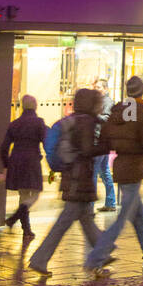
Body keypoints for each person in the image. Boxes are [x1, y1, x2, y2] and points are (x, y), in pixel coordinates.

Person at [82, 76, 143, 275]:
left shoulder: (118, 110)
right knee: (123, 217)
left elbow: (106, 136)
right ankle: (96, 257)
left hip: (122, 166)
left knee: (138, 217)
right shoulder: (141, 114)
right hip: (135, 167)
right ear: (142, 91)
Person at [27, 88, 104, 276]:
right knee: (65, 221)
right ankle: (39, 259)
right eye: (98, 102)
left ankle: (101, 255)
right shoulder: (84, 123)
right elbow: (87, 150)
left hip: (75, 176)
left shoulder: (74, 122)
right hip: (78, 178)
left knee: (85, 218)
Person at [0, 94, 46, 238]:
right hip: (32, 160)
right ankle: (14, 218)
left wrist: (7, 165)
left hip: (16, 160)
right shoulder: (39, 123)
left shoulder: (14, 124)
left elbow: (3, 148)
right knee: (35, 193)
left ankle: (26, 229)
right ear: (35, 105)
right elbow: (46, 142)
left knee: (23, 194)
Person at [90, 78, 117, 214]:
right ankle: (111, 202)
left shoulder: (107, 102)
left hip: (100, 141)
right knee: (104, 172)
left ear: (105, 89)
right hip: (101, 141)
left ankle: (90, 206)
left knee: (94, 173)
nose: (96, 89)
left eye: (99, 87)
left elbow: (107, 118)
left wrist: (94, 115)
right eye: (95, 87)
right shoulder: (98, 101)